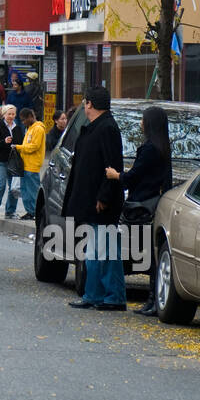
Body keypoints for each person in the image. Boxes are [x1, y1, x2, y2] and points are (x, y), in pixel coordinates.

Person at [63, 86, 125, 311]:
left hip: (101, 203)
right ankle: (99, 294)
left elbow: (112, 166)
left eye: (85, 102)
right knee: (100, 249)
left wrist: (104, 196)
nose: (83, 105)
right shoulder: (97, 127)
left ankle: (106, 295)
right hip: (94, 199)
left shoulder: (106, 128)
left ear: (89, 103)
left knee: (101, 250)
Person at [106, 105, 172, 316]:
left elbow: (134, 176)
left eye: (143, 120)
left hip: (143, 206)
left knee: (148, 256)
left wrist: (116, 175)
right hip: (156, 204)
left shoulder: (149, 149)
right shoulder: (164, 147)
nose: (141, 124)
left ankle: (153, 299)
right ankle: (153, 299)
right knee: (152, 257)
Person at [0, 104, 22, 219]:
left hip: (13, 160)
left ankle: (10, 211)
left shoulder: (17, 127)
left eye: (13, 114)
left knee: (14, 187)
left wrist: (16, 146)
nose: (11, 116)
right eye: (9, 114)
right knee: (1, 184)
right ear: (4, 115)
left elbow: (21, 142)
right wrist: (4, 141)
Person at [15, 107, 46, 220]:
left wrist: (19, 148)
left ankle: (35, 212)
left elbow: (34, 146)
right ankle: (30, 211)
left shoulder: (38, 129)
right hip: (26, 163)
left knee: (32, 191)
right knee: (25, 190)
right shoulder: (30, 128)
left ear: (30, 117)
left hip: (32, 164)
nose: (23, 122)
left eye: (24, 120)